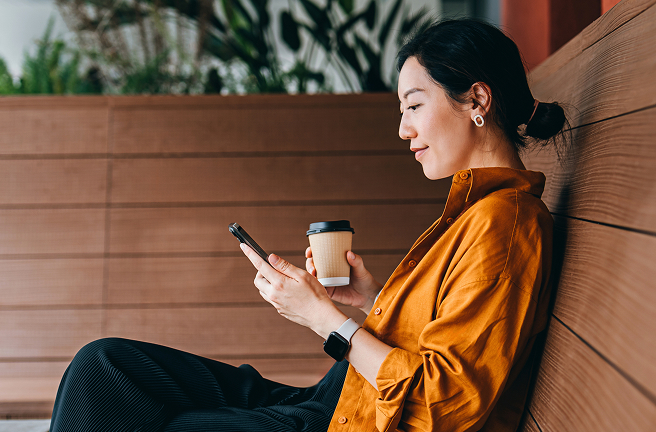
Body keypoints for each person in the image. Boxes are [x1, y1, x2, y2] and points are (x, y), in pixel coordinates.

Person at [48, 18, 567, 432]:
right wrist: (372, 300)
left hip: (350, 419)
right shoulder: (478, 213)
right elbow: (451, 334)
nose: (404, 129)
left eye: (413, 106)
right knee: (105, 370)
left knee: (159, 421)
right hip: (341, 397)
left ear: (476, 100)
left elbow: (445, 403)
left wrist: (325, 321)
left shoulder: (507, 224)